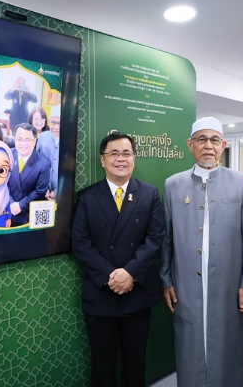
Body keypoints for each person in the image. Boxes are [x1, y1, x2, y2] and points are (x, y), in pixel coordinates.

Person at [159, 116, 243, 387]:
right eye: (201, 139)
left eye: (215, 140)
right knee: (189, 340)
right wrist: (166, 279)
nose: (208, 146)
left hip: (228, 280)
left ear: (223, 145)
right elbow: (166, 237)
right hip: (186, 281)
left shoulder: (239, 182)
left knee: (228, 339)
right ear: (190, 144)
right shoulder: (173, 184)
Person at [71, 131, 165, 387]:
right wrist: (111, 276)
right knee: (102, 365)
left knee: (136, 362)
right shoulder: (87, 197)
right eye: (114, 154)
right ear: (103, 160)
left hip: (138, 292)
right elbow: (80, 243)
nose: (120, 159)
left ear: (134, 158)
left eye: (126, 153)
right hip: (102, 292)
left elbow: (155, 238)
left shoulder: (149, 194)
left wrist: (130, 273)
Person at [7, 123, 50, 226]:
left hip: (29, 213)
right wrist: (11, 203)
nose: (23, 143)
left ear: (34, 141)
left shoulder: (44, 163)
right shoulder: (8, 155)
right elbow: (2, 182)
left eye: (27, 140)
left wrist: (20, 205)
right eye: (19, 139)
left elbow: (40, 191)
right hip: (8, 208)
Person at [36, 105, 60, 200]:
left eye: (60, 123)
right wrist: (43, 188)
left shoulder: (71, 139)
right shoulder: (43, 137)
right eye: (53, 122)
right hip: (43, 189)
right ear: (49, 121)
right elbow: (36, 163)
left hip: (63, 192)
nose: (56, 127)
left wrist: (57, 192)